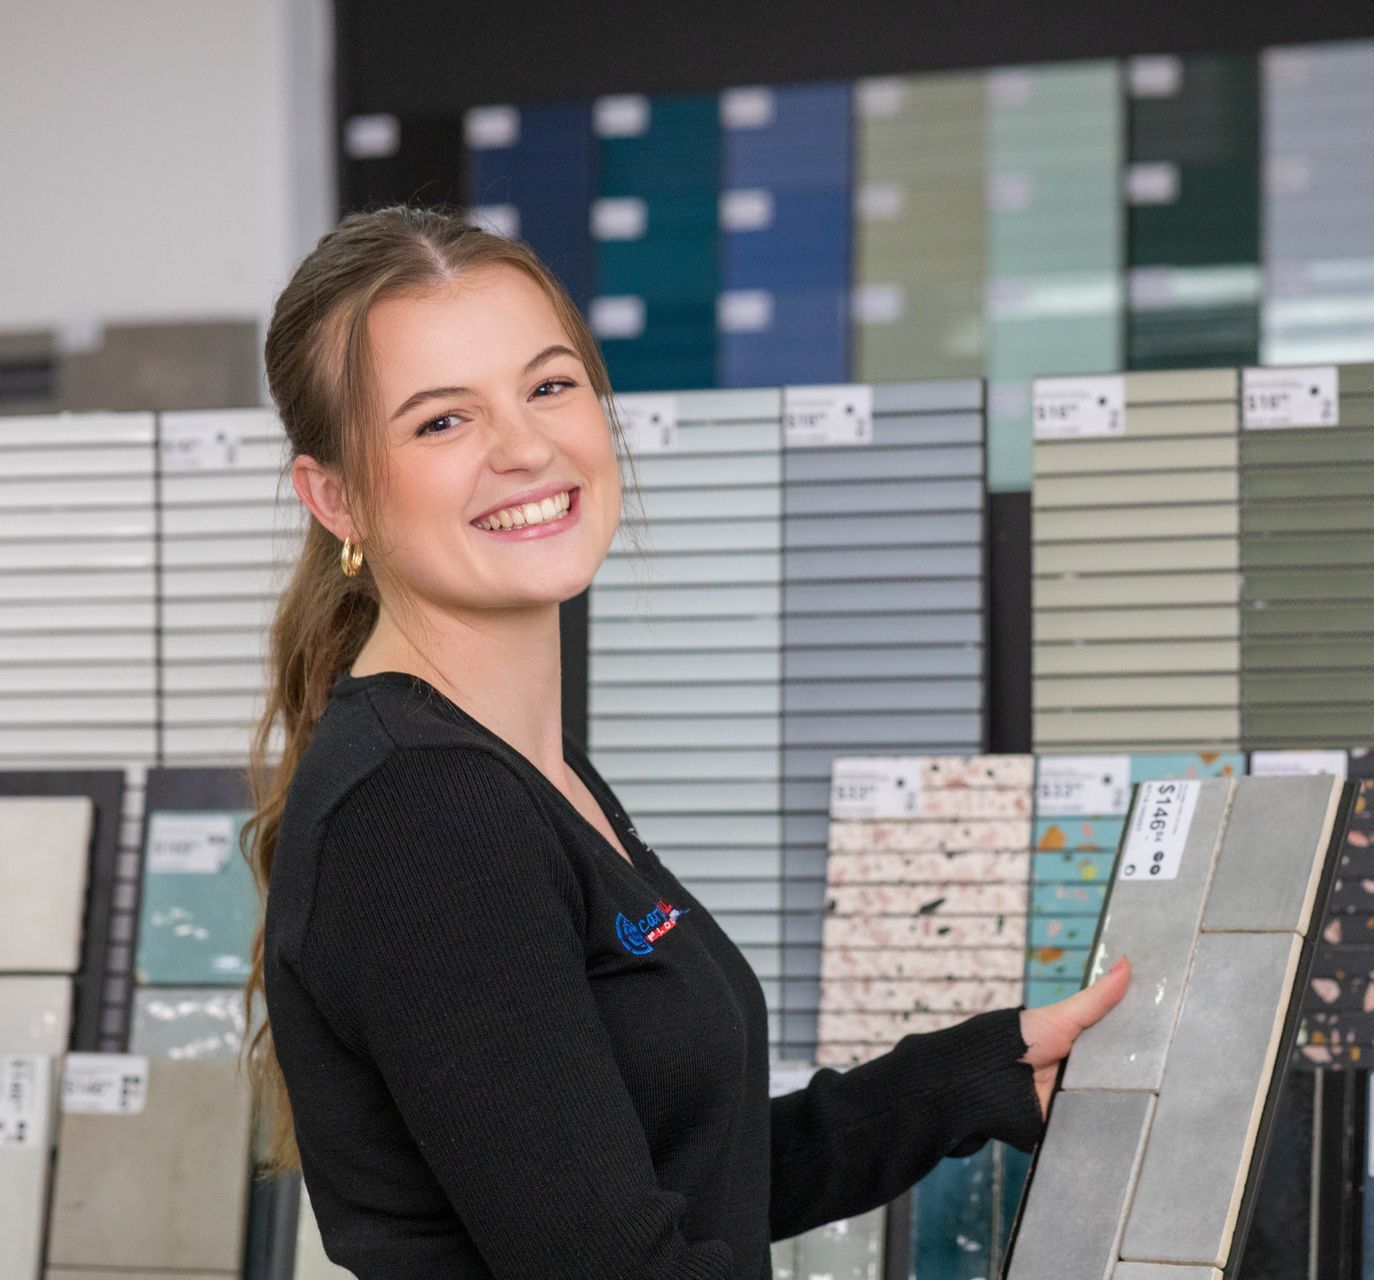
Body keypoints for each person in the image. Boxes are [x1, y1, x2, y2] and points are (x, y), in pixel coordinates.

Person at [240, 204, 1130, 1279]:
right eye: (442, 420)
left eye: (550, 384)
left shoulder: (525, 767)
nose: (525, 445)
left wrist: (967, 1079)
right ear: (335, 496)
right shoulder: (428, 808)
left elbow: (672, 1178)